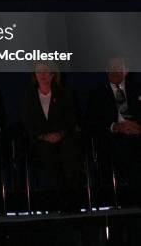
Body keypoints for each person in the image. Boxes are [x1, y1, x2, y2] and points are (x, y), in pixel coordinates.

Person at [22, 62, 82, 212]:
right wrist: (43, 136)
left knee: (69, 151)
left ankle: (73, 200)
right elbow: (27, 123)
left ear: (53, 74)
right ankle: (61, 200)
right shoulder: (29, 97)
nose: (42, 74)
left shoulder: (65, 93)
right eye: (39, 72)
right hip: (41, 140)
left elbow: (71, 119)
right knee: (48, 153)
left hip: (64, 138)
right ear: (34, 75)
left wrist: (60, 134)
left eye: (46, 71)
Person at [86, 57, 141, 203]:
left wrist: (137, 127)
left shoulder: (137, 90)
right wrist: (115, 126)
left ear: (126, 71)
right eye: (111, 67)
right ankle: (133, 196)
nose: (114, 71)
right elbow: (92, 123)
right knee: (125, 148)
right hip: (112, 137)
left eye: (118, 67)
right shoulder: (97, 94)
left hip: (137, 133)